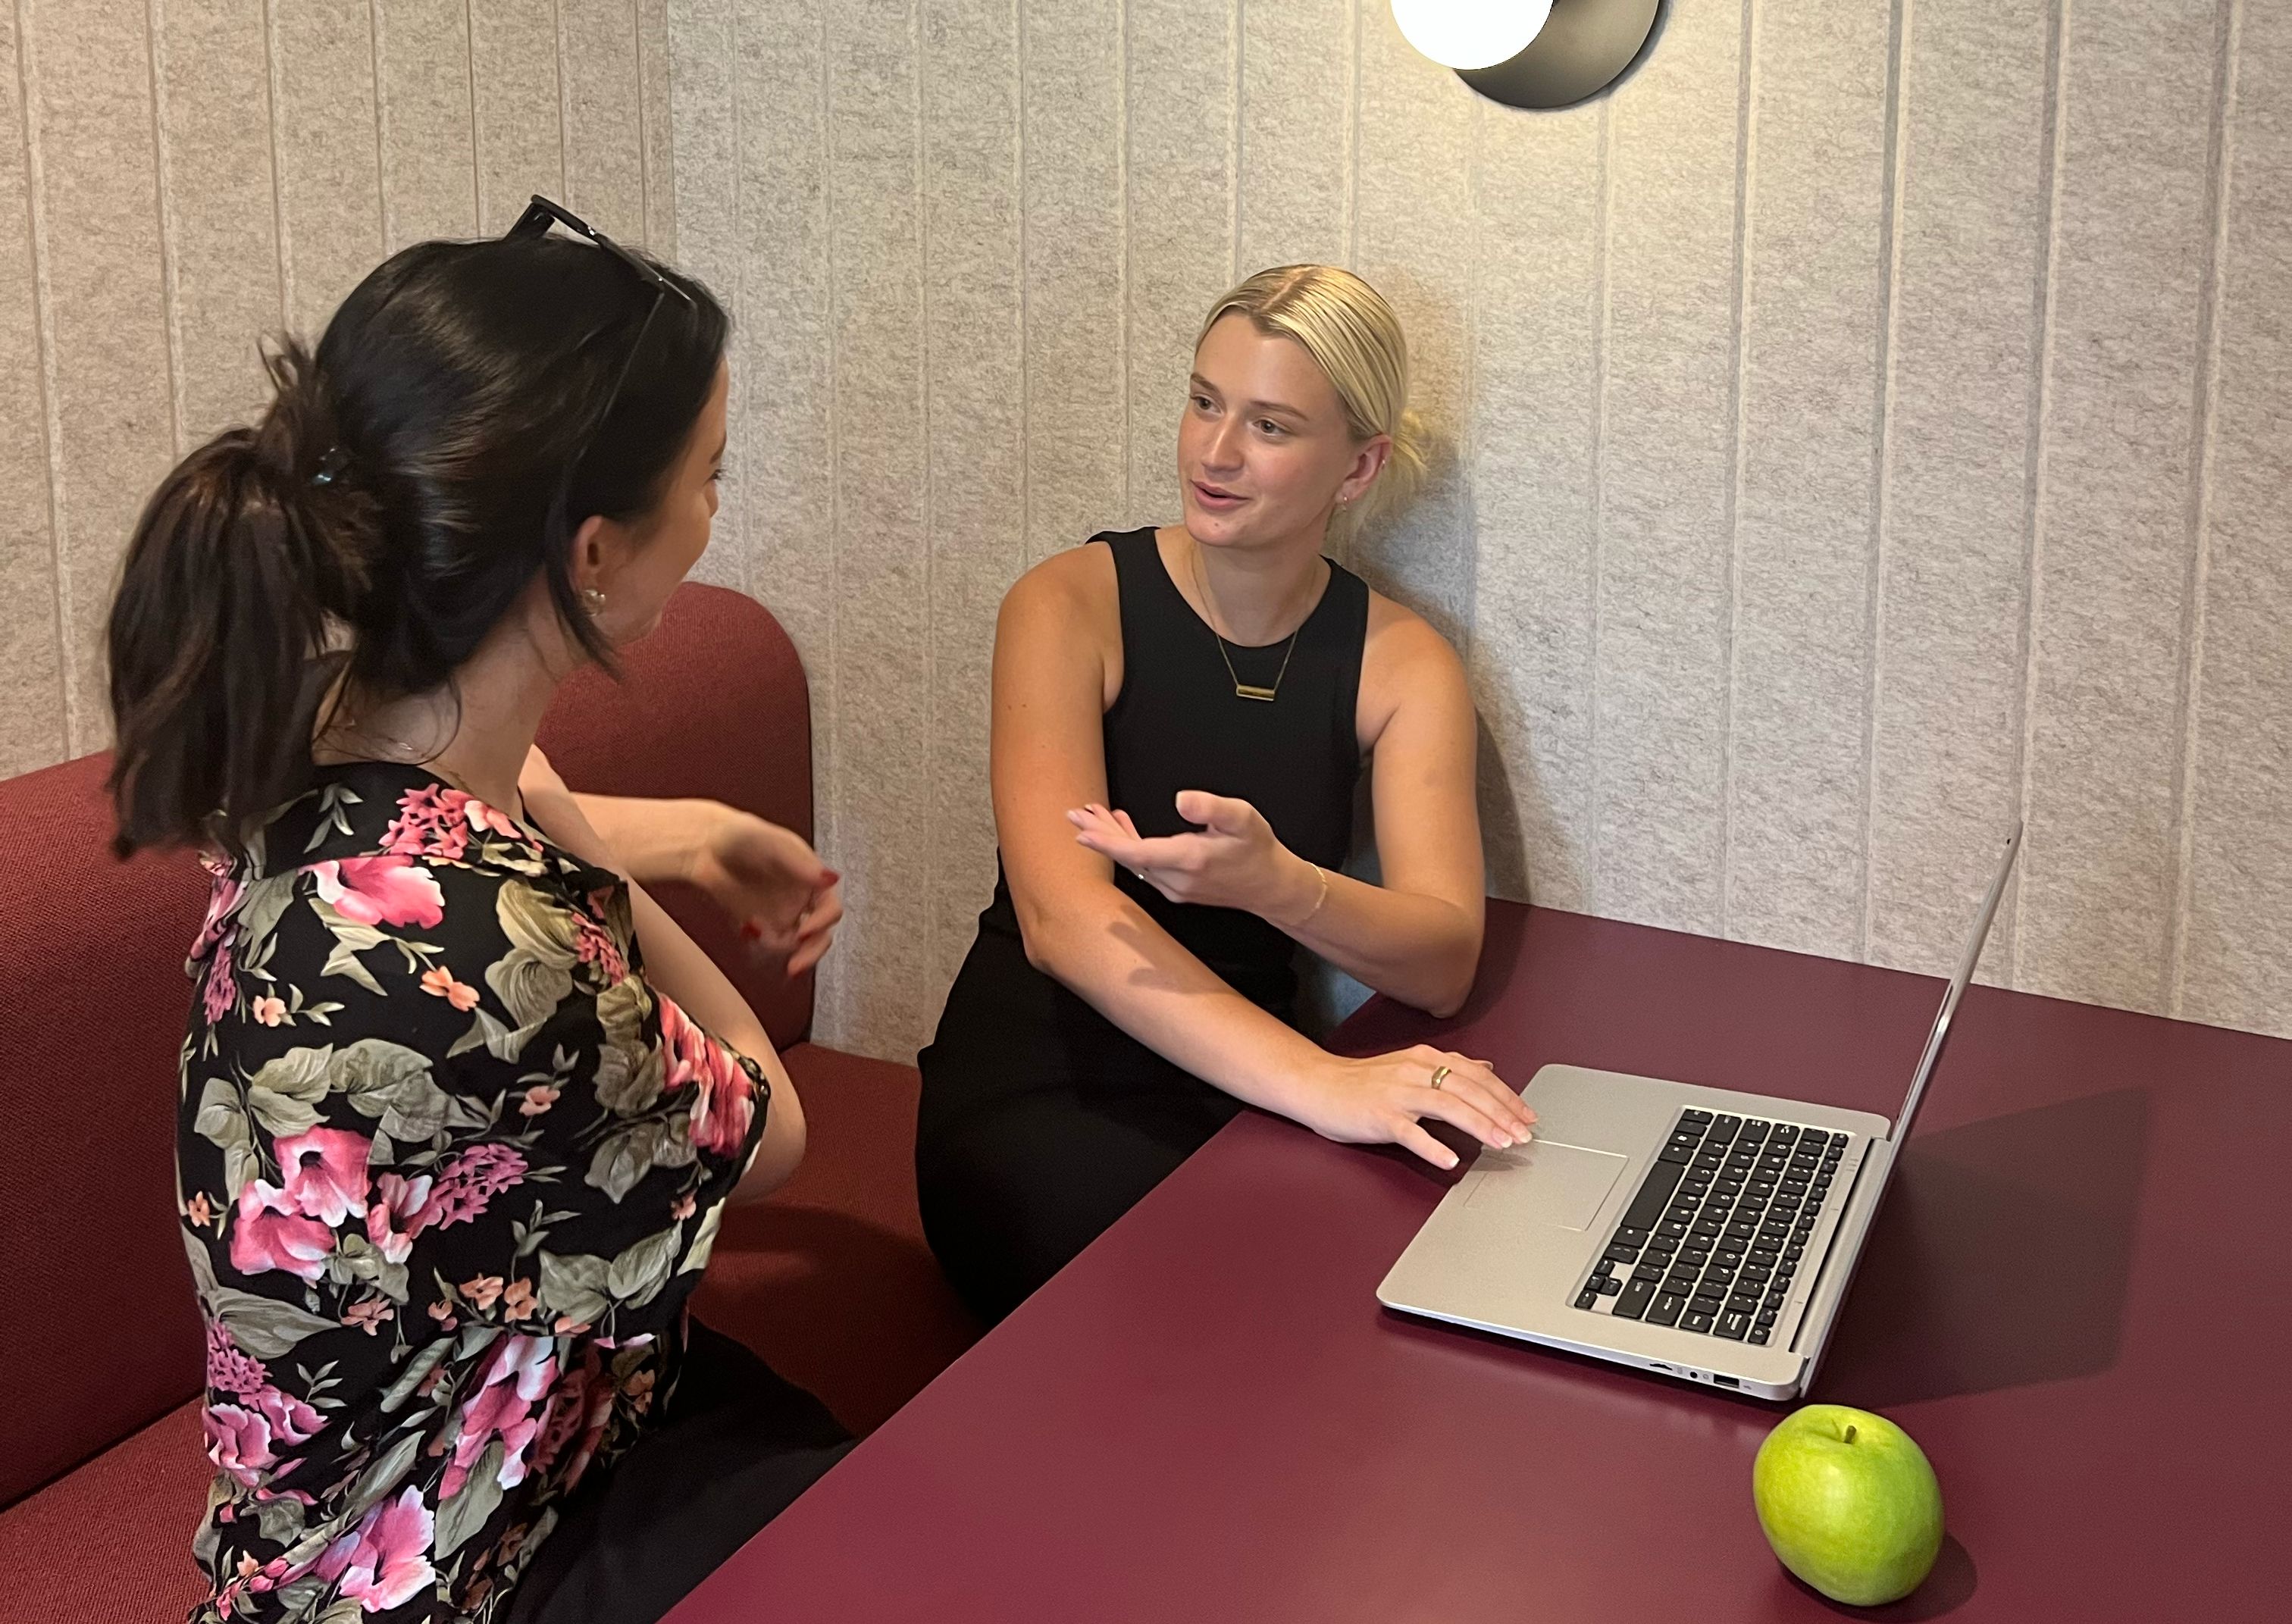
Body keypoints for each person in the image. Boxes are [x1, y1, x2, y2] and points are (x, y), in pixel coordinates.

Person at [110, 199, 847, 1624]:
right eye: (710, 476)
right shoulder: (498, 952)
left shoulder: (313, 725)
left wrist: (678, 828)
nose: (713, 514)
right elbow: (774, 1127)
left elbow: (455, 838)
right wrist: (610, 873)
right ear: (590, 558)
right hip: (441, 1550)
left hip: (473, 1415)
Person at [916, 264, 1538, 1325]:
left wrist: (1280, 886)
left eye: (1271, 425)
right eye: (1204, 401)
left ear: (1358, 468)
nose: (1214, 450)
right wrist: (1326, 1087)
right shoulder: (1067, 604)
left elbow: (1442, 962)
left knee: (1422, 1272)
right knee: (1218, 1313)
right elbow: (1068, 924)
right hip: (1043, 1088)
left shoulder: (1402, 661)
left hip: (1247, 1086)